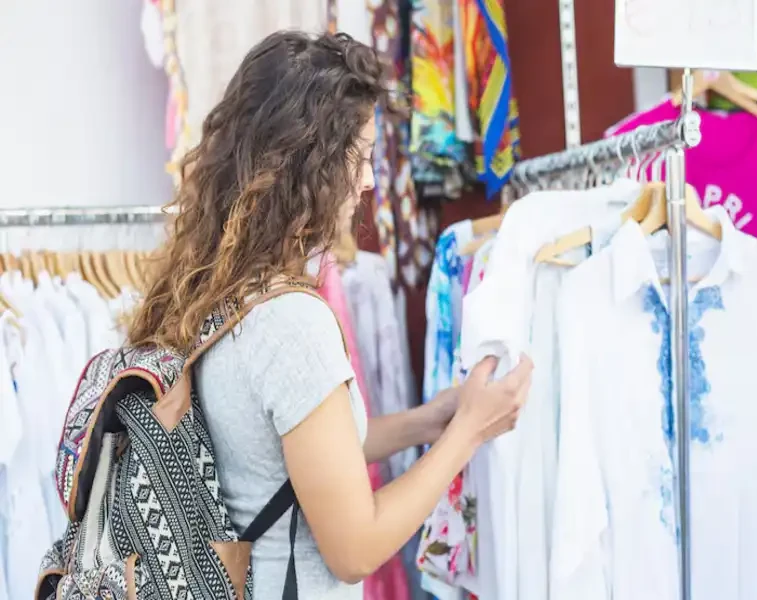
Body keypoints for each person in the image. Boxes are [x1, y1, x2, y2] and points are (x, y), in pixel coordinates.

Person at [127, 31, 533, 599]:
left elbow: (294, 453)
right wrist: (469, 432)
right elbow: (354, 550)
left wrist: (433, 418)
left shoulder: (218, 290)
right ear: (308, 160)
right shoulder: (291, 322)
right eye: (360, 156)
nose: (368, 181)